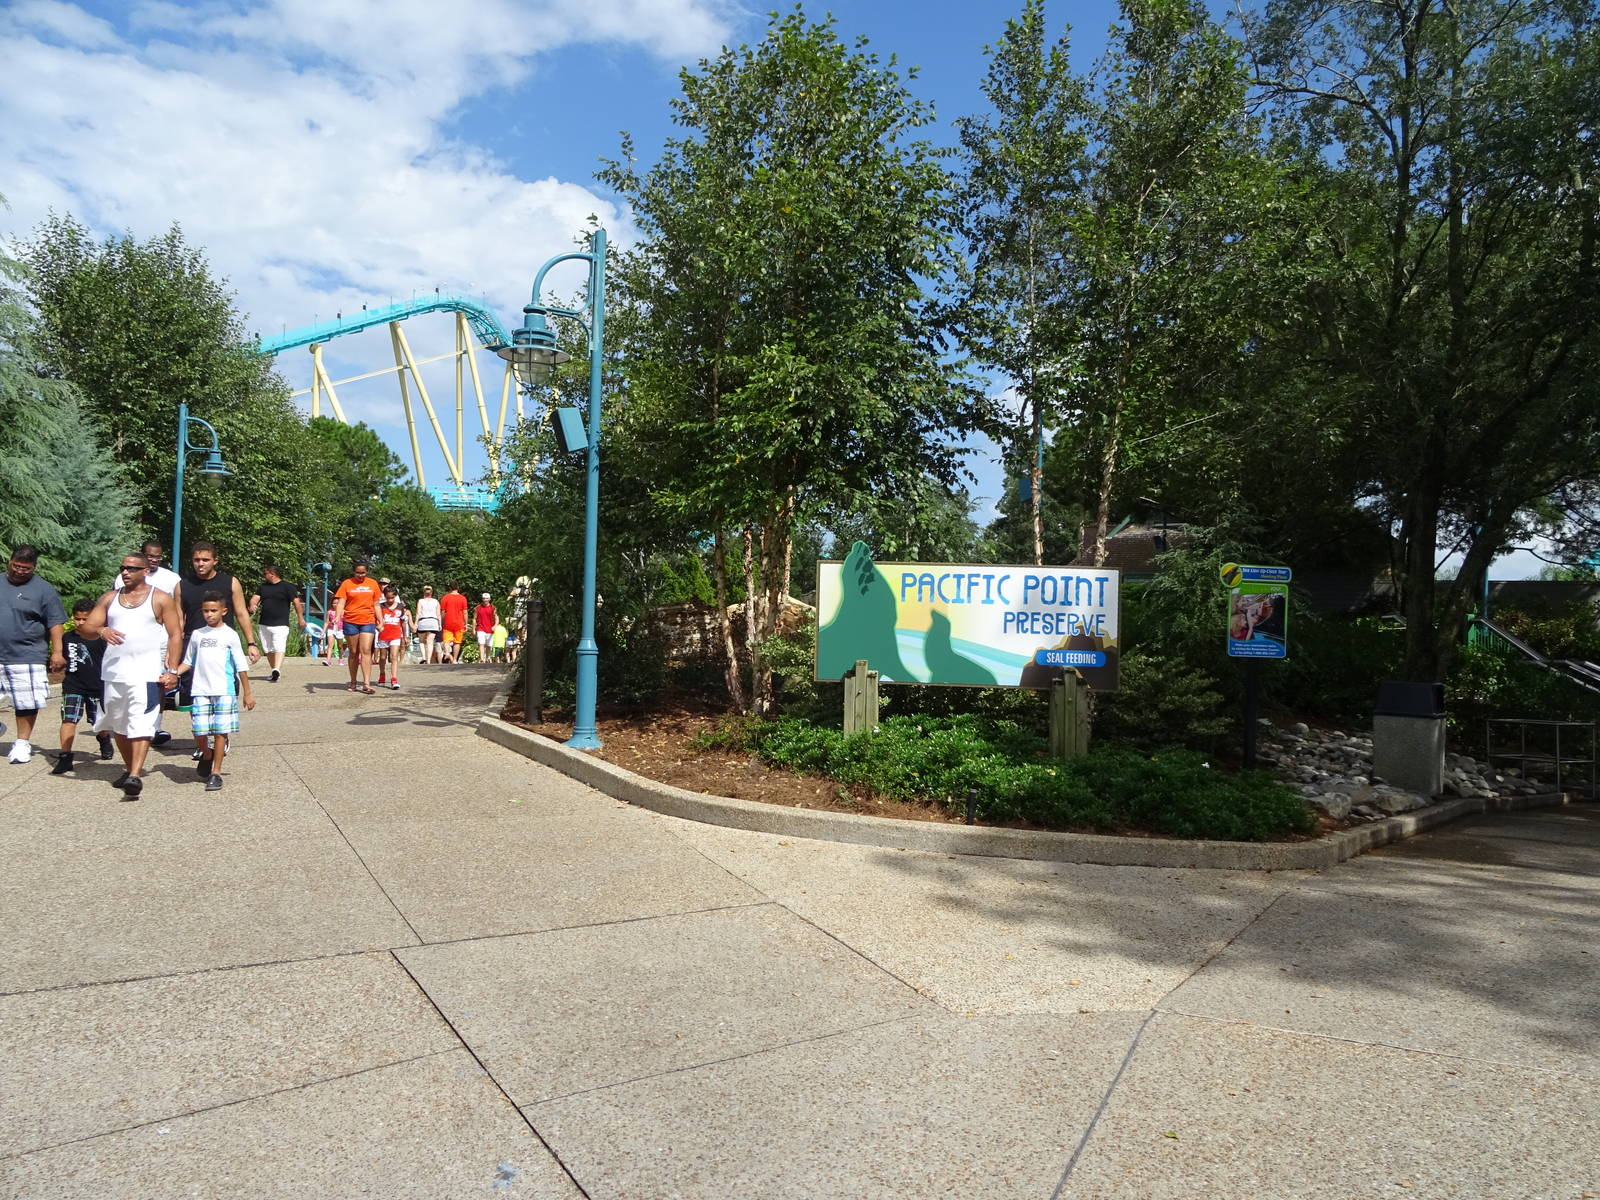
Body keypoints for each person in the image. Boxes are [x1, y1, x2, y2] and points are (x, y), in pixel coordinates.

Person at [78, 552, 184, 799]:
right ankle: (129, 769)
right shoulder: (109, 598)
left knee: (141, 723)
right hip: (114, 673)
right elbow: (87, 628)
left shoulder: (160, 599)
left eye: (132, 568)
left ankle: (135, 774)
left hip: (145, 673)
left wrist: (171, 670)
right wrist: (102, 630)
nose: (125, 572)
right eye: (123, 568)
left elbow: (175, 634)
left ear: (145, 571)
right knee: (119, 726)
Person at [173, 590, 254, 791]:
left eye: (213, 611)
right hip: (200, 690)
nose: (209, 614)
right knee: (199, 731)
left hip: (224, 690)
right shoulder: (198, 635)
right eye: (205, 611)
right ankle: (206, 754)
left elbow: (240, 665)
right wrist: (173, 673)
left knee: (220, 733)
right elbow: (188, 661)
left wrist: (248, 692)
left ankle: (216, 772)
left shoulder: (230, 635)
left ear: (224, 611)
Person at [108, 538, 181, 745]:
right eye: (150, 556)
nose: (154, 560)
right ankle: (129, 723)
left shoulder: (171, 578)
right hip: (128, 642)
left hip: (160, 640)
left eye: (158, 557)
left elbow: (178, 609)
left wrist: (175, 643)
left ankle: (154, 726)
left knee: (157, 682)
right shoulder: (123, 578)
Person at [0, 546, 67, 764]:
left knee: (26, 702)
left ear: (34, 567)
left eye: (25, 568)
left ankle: (22, 743)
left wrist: (57, 652)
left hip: (26, 654)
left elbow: (55, 623)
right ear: (9, 562)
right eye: (16, 566)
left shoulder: (43, 590)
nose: (19, 571)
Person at [52, 597, 114, 774]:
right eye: (77, 618)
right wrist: (58, 662)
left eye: (85, 619)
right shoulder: (67, 637)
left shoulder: (102, 639)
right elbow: (63, 659)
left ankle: (104, 739)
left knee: (98, 723)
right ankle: (65, 757)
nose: (80, 623)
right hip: (74, 685)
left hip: (97, 686)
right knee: (69, 719)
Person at [328, 557, 381, 694]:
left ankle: (367, 683)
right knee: (353, 652)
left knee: (366, 651)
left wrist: (380, 619)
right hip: (351, 620)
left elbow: (376, 604)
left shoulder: (373, 584)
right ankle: (353, 681)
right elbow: (341, 602)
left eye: (363, 573)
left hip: (368, 620)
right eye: (358, 572)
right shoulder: (347, 584)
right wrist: (338, 616)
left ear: (367, 572)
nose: (360, 575)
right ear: (353, 572)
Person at [249, 565, 304, 683]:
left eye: (265, 573)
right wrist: (253, 604)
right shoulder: (263, 587)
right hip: (264, 623)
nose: (264, 576)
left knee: (279, 646)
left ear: (272, 574)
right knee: (268, 649)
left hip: (281, 623)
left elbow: (297, 603)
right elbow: (255, 598)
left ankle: (276, 669)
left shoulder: (287, 587)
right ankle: (274, 670)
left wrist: (300, 618)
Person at [375, 585, 409, 690]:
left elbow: (403, 622)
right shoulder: (380, 607)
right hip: (383, 635)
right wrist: (378, 626)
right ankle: (382, 674)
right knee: (383, 657)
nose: (390, 600)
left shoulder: (400, 607)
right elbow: (375, 620)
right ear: (384, 596)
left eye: (392, 598)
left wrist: (405, 636)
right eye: (387, 598)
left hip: (395, 635)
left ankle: (394, 678)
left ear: (395, 596)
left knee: (394, 657)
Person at [439, 584, 468, 664]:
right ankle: (455, 659)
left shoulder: (445, 598)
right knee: (457, 642)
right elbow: (465, 612)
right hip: (459, 623)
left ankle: (447, 653)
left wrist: (442, 622)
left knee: (446, 640)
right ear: (458, 588)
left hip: (448, 622)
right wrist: (465, 623)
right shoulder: (463, 598)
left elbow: (443, 612)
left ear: (450, 588)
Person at [413, 584, 442, 664]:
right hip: (433, 622)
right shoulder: (436, 601)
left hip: (423, 622)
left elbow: (418, 613)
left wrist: (416, 624)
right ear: (431, 592)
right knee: (430, 642)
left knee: (422, 641)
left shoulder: (420, 601)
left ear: (423, 592)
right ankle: (428, 660)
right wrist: (440, 624)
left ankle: (423, 657)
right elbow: (438, 614)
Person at [474, 593, 497, 663]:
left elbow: (497, 618)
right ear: (482, 599)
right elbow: (474, 618)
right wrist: (473, 629)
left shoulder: (493, 608)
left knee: (489, 645)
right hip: (480, 628)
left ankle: (488, 657)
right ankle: (482, 658)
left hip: (490, 629)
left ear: (489, 599)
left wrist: (495, 625)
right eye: (484, 598)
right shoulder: (478, 608)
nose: (485, 600)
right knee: (481, 643)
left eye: (487, 598)